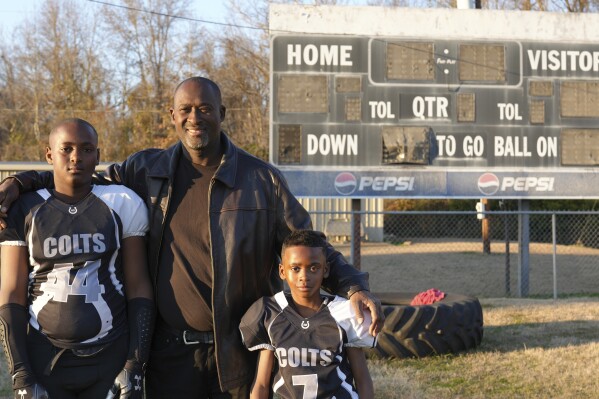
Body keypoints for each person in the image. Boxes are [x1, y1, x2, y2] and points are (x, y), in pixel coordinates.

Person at [0, 76, 383, 398]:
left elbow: (309, 245)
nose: (194, 118)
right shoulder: (145, 170)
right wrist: (23, 181)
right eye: (185, 110)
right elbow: (79, 174)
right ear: (172, 116)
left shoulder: (261, 180)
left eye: (204, 109)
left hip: (238, 349)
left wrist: (352, 287)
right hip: (168, 354)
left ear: (222, 114)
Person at [0, 118, 155, 399]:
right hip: (45, 356)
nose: (76, 157)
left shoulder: (123, 202)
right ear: (48, 154)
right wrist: (20, 372)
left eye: (86, 149)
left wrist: (135, 363)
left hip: (109, 354)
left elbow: (139, 287)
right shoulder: (23, 208)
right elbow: (11, 293)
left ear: (97, 154)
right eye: (66, 148)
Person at [240, 229, 375, 399]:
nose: (304, 276)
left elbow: (362, 378)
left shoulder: (343, 313)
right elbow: (261, 383)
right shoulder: (270, 313)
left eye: (313, 268)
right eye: (295, 268)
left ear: (325, 270)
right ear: (282, 271)